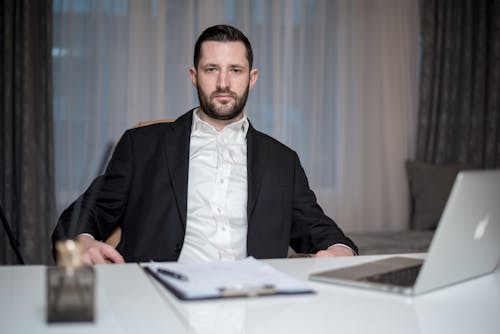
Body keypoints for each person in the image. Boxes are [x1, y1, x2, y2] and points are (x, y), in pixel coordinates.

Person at [52, 24, 358, 265]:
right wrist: (83, 240)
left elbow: (322, 231)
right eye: (212, 69)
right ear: (194, 75)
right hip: (158, 298)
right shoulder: (141, 146)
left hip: (254, 303)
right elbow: (85, 214)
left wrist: (340, 251)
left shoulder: (283, 161)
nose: (223, 83)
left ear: (252, 78)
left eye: (234, 70)